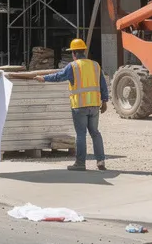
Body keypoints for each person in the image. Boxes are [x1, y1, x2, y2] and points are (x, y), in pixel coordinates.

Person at [36, 38, 109, 171]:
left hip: (79, 106)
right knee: (95, 133)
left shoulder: (73, 66)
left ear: (74, 53)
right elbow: (103, 85)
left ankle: (80, 163)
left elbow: (59, 76)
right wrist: (105, 101)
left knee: (81, 134)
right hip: (94, 105)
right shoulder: (95, 65)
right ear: (84, 52)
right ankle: (101, 161)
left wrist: (44, 78)